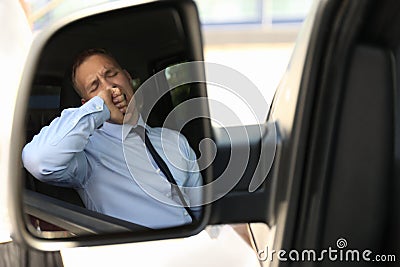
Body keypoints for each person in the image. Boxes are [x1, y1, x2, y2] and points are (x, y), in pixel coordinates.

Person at [22, 48, 202, 229]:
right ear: (87, 103)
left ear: (127, 77)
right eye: (95, 86)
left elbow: (201, 208)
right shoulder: (86, 155)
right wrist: (100, 107)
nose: (109, 87)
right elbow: (38, 160)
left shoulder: (175, 141)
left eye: (111, 74)